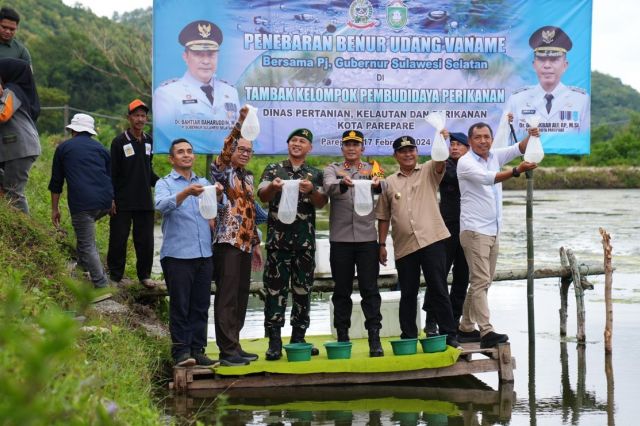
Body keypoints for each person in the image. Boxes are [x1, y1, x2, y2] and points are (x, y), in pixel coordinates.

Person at [456, 122, 538, 348]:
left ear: (491, 139)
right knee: (481, 281)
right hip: (474, 230)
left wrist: (532, 136)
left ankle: (465, 327)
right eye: (478, 137)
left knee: (483, 282)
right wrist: (516, 171)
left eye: (486, 136)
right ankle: (486, 331)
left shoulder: (493, 155)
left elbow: (518, 148)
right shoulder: (465, 162)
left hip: (492, 230)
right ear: (470, 141)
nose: (483, 141)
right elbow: (487, 178)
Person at [376, 135, 459, 348]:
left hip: (432, 240)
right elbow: (384, 216)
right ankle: (409, 336)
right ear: (396, 156)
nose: (408, 154)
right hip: (405, 245)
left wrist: (441, 138)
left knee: (438, 288)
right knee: (408, 292)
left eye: (411, 150)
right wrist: (382, 244)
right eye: (402, 151)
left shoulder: (430, 169)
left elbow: (441, 159)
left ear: (417, 152)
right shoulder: (388, 183)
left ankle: (449, 334)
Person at [258, 128, 327, 361]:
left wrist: (312, 191)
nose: (297, 144)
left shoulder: (314, 174)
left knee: (302, 291)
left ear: (310, 148)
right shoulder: (273, 169)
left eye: (303, 141)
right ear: (288, 144)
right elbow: (262, 196)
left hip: (304, 244)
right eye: (294, 140)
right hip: (278, 243)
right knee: (275, 292)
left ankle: (299, 338)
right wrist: (273, 187)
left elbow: (320, 203)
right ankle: (274, 341)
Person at [155, 138, 223, 367]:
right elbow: (161, 207)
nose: (186, 155)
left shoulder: (203, 182)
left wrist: (219, 195)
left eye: (189, 151)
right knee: (180, 305)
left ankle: (198, 350)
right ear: (171, 159)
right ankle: (181, 353)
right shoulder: (164, 183)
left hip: (204, 254)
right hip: (177, 255)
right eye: (180, 152)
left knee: (201, 305)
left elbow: (216, 210)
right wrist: (185, 193)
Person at [209, 106, 262, 366]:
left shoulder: (248, 177)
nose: (244, 154)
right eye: (241, 149)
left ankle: (236, 344)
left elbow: (250, 212)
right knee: (227, 295)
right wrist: (240, 123)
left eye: (248, 151)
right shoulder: (223, 171)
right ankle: (226, 350)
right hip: (227, 241)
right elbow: (227, 149)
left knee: (241, 295)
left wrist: (256, 243)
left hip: (244, 243)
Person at [323, 130, 384, 357]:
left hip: (367, 239)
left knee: (370, 290)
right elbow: (328, 186)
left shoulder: (371, 168)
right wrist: (343, 183)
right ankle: (342, 337)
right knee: (342, 291)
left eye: (355, 145)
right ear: (342, 148)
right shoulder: (333, 169)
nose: (351, 148)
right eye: (347, 144)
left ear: (362, 148)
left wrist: (378, 185)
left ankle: (374, 339)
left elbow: (384, 186)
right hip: (341, 240)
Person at [48, 114, 112, 288]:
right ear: (90, 132)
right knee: (84, 232)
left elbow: (56, 182)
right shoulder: (101, 149)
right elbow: (110, 176)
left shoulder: (64, 148)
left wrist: (55, 209)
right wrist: (113, 201)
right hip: (105, 203)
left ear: (73, 130)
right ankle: (82, 266)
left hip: (83, 204)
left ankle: (101, 285)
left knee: (87, 243)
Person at [107, 99, 159, 288]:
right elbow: (112, 172)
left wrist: (164, 184)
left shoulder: (148, 141)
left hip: (144, 200)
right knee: (118, 239)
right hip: (122, 201)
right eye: (136, 115)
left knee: (145, 240)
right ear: (128, 118)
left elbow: (148, 170)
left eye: (143, 116)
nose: (140, 119)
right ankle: (115, 276)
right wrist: (110, 198)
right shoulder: (119, 142)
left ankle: (144, 276)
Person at [153, 20, 240, 132]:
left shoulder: (231, 92)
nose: (205, 61)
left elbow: (237, 135)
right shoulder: (167, 94)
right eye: (198, 54)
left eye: (211, 54)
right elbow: (166, 137)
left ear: (217, 56)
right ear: (185, 57)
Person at [423, 132, 470, 337]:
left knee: (462, 276)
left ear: (468, 148)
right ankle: (431, 321)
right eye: (452, 144)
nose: (455, 148)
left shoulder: (474, 164)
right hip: (446, 227)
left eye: (460, 145)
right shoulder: (444, 165)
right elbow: (449, 175)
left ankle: (454, 322)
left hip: (469, 227)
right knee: (438, 274)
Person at [504, 25, 590, 136]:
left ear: (565, 65)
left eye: (554, 59)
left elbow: (582, 140)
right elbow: (509, 139)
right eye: (541, 59)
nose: (547, 65)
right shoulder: (516, 99)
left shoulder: (581, 100)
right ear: (534, 65)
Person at [0, 58, 40, 213]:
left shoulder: (12, 91)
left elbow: (2, 114)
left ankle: (26, 230)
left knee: (14, 190)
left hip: (19, 147)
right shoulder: (18, 91)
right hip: (17, 147)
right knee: (9, 188)